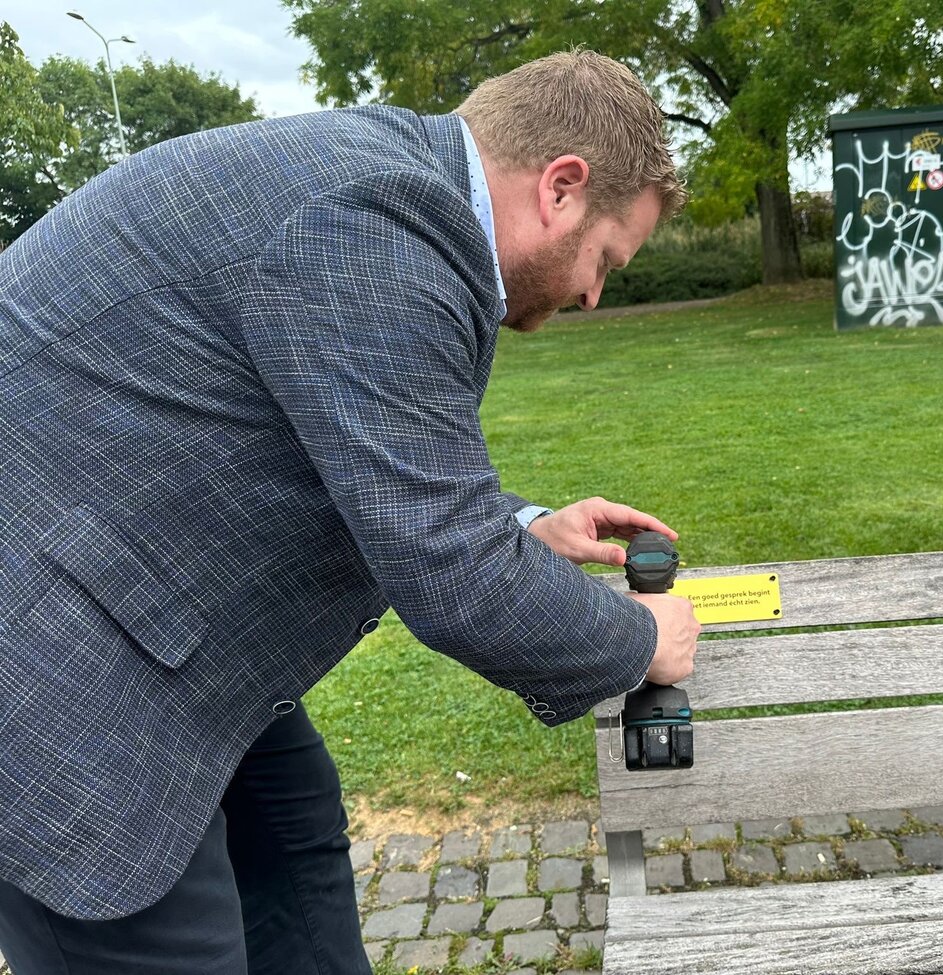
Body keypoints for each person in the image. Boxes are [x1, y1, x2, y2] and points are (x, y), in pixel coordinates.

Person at [0, 49, 700, 973]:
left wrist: (522, 522)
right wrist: (641, 639)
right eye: (606, 259)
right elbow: (458, 582)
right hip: (53, 672)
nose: (593, 294)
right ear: (561, 187)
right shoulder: (372, 225)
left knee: (297, 840)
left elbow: (371, 456)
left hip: (144, 624)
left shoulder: (377, 190)